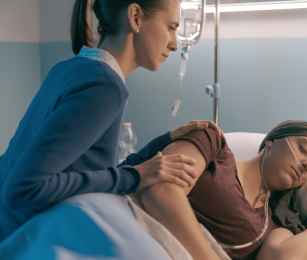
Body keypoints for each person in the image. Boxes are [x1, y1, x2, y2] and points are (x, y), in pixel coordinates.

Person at [0, 0, 221, 241]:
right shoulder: (103, 87)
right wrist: (135, 177)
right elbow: (25, 188)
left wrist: (163, 143)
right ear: (135, 17)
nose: (174, 43)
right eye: (171, 27)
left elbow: (90, 174)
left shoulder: (71, 69)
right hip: (23, 240)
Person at [133, 120, 307, 260]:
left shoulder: (273, 223)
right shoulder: (212, 143)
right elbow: (161, 189)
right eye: (304, 149)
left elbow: (286, 258)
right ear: (271, 143)